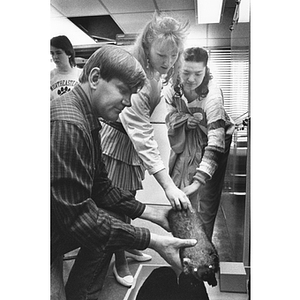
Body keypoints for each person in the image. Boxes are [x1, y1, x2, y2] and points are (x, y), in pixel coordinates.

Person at [51, 45, 197, 300]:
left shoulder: (88, 118)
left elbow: (102, 188)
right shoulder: (68, 124)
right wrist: (152, 240)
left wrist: (153, 214)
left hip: (59, 225)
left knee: (112, 213)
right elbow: (79, 220)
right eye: (123, 91)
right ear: (95, 78)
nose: (129, 102)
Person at [99, 12, 192, 287]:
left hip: (128, 143)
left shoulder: (155, 73)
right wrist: (167, 185)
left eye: (174, 55)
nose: (168, 62)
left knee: (127, 196)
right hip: (117, 142)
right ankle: (120, 260)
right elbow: (141, 133)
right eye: (162, 55)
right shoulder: (137, 76)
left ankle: (129, 243)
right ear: (147, 48)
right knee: (115, 203)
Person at [163, 47, 235, 241]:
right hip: (190, 138)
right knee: (184, 191)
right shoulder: (171, 89)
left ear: (206, 71)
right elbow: (168, 116)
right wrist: (183, 120)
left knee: (207, 200)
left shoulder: (212, 96)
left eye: (198, 74)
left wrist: (198, 181)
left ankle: (203, 252)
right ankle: (185, 241)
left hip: (216, 142)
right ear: (178, 68)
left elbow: (216, 142)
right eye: (186, 72)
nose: (192, 79)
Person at [50, 35, 82, 100]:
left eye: (58, 53)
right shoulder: (50, 76)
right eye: (52, 53)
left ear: (68, 53)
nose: (55, 57)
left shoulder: (81, 74)